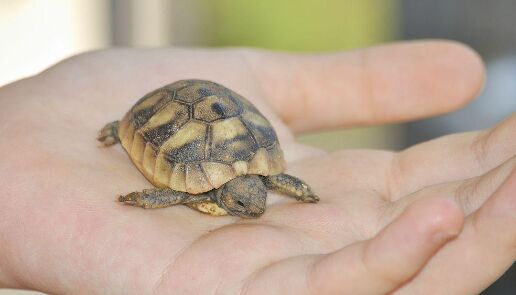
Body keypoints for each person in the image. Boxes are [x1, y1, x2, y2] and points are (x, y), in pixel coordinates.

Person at [0, 40, 514, 295]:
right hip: (160, 109)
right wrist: (140, 196)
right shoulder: (196, 190)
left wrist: (307, 193)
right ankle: (120, 126)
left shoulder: (261, 183)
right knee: (169, 189)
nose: (257, 205)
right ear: (229, 196)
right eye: (249, 201)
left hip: (223, 122)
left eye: (257, 197)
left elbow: (277, 182)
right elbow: (176, 192)